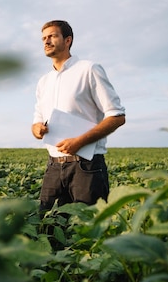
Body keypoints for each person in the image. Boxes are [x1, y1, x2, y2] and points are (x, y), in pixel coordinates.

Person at [32, 20, 125, 211]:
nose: (46, 41)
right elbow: (36, 121)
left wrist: (80, 141)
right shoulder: (44, 82)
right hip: (53, 166)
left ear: (68, 40)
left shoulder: (89, 69)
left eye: (52, 36)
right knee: (47, 226)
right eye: (44, 38)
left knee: (88, 230)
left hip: (87, 167)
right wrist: (37, 129)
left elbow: (117, 116)